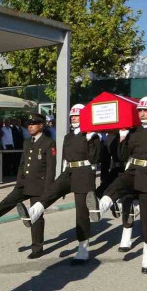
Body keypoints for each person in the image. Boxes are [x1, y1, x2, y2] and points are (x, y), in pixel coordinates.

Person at [97, 96, 147, 274]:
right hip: (133, 170)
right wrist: (123, 137)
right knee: (118, 182)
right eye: (139, 110)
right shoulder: (134, 131)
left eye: (145, 110)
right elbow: (124, 157)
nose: (141, 113)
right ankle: (101, 206)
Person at [19, 104, 100, 263]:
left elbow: (95, 159)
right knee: (52, 190)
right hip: (69, 171)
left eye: (77, 115)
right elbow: (64, 157)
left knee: (81, 213)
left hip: (84, 173)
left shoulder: (92, 135)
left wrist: (91, 139)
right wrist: (62, 172)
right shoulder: (68, 137)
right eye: (72, 116)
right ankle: (33, 213)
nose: (74, 118)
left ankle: (83, 247)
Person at [0, 113, 55, 259]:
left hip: (39, 185)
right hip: (25, 182)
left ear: (41, 126)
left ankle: (37, 248)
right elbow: (23, 163)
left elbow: (51, 168)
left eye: (33, 124)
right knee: (9, 200)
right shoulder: (27, 142)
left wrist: (48, 190)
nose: (30, 126)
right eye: (29, 123)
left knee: (37, 216)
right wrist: (19, 181)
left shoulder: (48, 143)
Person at [95, 130, 137, 252]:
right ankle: (113, 204)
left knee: (128, 200)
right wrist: (104, 179)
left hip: (132, 169)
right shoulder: (111, 137)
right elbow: (105, 160)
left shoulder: (135, 133)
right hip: (116, 169)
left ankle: (126, 237)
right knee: (100, 192)